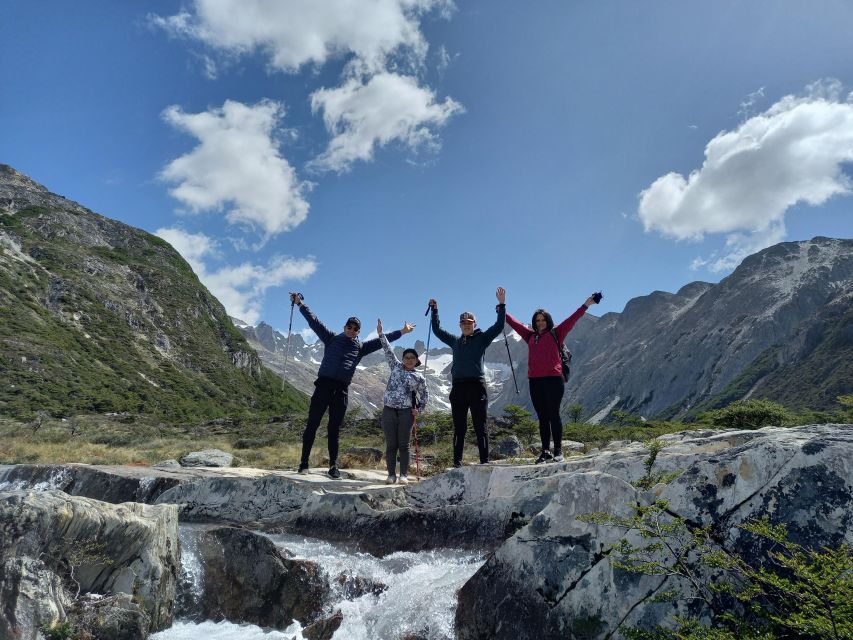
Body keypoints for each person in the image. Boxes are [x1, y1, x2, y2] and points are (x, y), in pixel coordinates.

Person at [291, 292, 414, 478]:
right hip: (323, 385)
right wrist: (300, 304)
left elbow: (383, 341)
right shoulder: (331, 338)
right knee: (312, 424)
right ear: (344, 327)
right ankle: (304, 463)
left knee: (334, 429)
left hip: (341, 390)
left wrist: (403, 331)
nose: (352, 330)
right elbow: (313, 322)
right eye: (349, 326)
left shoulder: (361, 347)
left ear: (358, 332)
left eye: (355, 329)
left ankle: (333, 466)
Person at [505, 294, 599, 463]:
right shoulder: (530, 336)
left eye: (543, 319)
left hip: (554, 380)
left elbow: (572, 319)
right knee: (542, 418)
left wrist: (586, 305)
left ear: (548, 320)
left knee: (553, 415)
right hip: (535, 381)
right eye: (537, 320)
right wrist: (502, 307)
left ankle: (558, 451)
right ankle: (545, 451)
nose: (540, 322)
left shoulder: (557, 333)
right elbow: (515, 324)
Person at [428, 287, 506, 467]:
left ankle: (484, 461)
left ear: (474, 324)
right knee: (459, 428)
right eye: (463, 323)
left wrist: (502, 305)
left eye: (469, 323)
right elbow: (437, 330)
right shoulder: (455, 341)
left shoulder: (482, 339)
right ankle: (457, 462)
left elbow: (499, 326)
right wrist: (435, 310)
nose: (466, 325)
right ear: (460, 325)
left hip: (477, 386)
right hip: (458, 388)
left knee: (481, 426)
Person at [377, 318, 428, 485]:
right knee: (391, 445)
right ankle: (391, 475)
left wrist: (419, 410)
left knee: (404, 446)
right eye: (406, 357)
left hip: (406, 413)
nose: (408, 359)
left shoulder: (419, 377)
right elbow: (387, 350)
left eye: (412, 357)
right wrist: (380, 333)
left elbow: (425, 395)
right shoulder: (395, 366)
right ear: (403, 358)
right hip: (389, 410)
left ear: (416, 360)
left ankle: (403, 475)